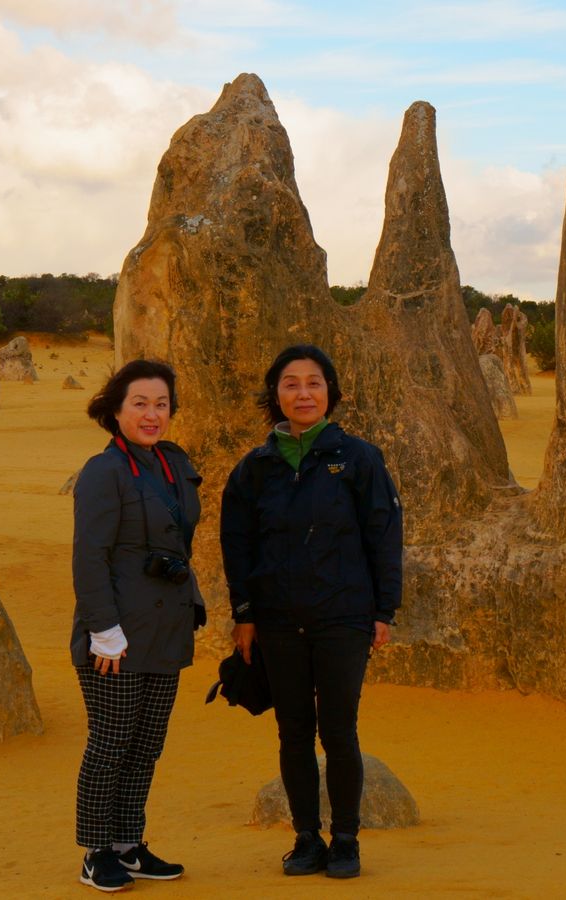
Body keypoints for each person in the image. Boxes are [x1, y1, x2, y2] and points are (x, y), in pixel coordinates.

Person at [220, 344, 402, 879]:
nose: (303, 393)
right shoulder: (255, 468)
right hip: (278, 621)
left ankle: (345, 839)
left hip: (343, 617)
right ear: (275, 394)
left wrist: (383, 610)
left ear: (330, 393)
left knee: (339, 730)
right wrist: (244, 613)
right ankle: (305, 837)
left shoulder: (359, 459)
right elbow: (237, 545)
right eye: (291, 383)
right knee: (293, 731)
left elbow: (384, 536)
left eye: (314, 383)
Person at [70, 359, 206, 893]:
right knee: (110, 743)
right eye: (140, 404)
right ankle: (95, 852)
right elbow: (90, 558)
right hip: (118, 638)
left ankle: (128, 844)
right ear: (116, 410)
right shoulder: (103, 472)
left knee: (147, 745)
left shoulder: (172, 463)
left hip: (166, 629)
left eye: (162, 404)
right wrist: (103, 630)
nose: (152, 414)